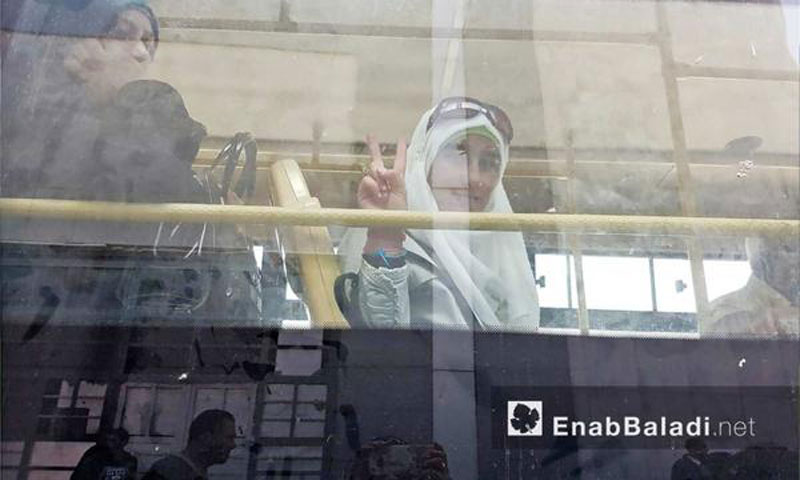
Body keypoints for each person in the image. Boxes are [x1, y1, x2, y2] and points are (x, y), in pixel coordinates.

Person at [340, 97, 539, 331]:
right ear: (425, 162)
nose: (474, 178)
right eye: (458, 154)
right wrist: (386, 238)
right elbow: (379, 346)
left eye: (489, 162)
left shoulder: (501, 252)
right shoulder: (377, 234)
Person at [1, 0, 159, 200]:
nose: (142, 53)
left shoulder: (148, 115)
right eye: (121, 34)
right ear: (74, 44)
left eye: (147, 41)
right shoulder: (27, 115)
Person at [706, 236, 799, 336]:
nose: (796, 258)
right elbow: (719, 348)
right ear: (764, 258)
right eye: (790, 249)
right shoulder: (726, 311)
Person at [142, 409, 237, 480]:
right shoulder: (167, 471)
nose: (233, 445)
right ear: (206, 438)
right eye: (229, 438)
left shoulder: (194, 473)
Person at [71, 428, 137, 480]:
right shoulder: (94, 458)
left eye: (113, 441)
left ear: (123, 442)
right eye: (107, 440)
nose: (109, 444)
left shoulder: (130, 460)